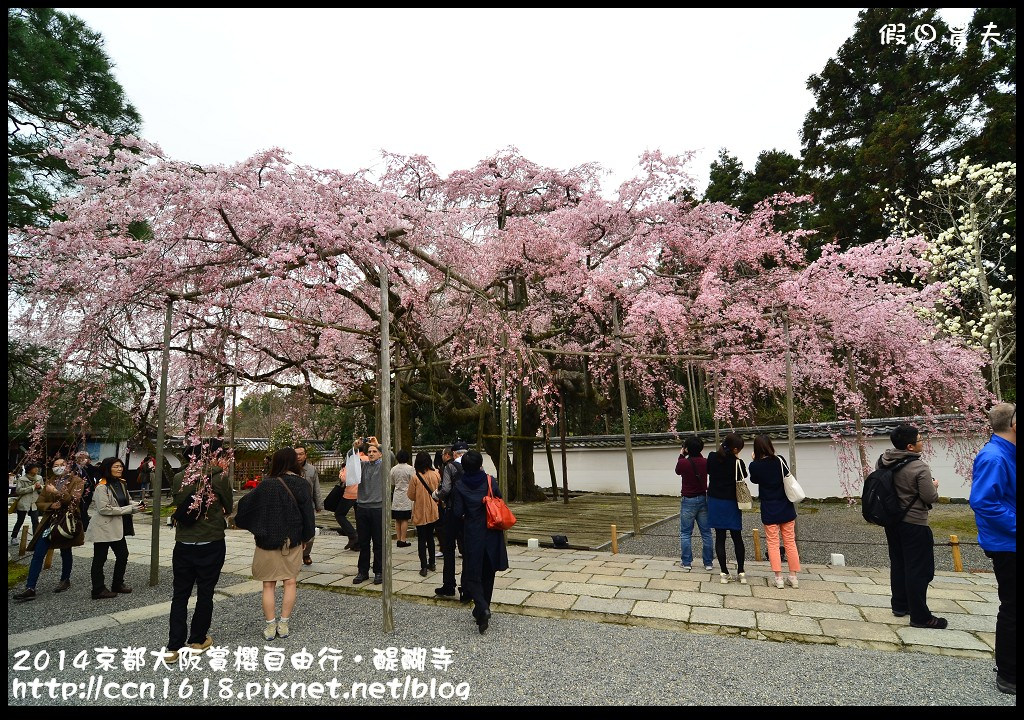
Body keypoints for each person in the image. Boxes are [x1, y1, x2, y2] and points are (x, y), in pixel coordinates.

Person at [234, 447, 315, 641]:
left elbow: (244, 509)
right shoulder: (302, 485)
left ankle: (270, 627)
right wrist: (305, 538)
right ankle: (284, 624)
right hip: (292, 541)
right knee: (290, 582)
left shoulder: (266, 485)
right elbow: (308, 517)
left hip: (266, 541)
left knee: (268, 585)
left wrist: (258, 527)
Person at [164, 447, 234, 661]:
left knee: (180, 594)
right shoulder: (219, 477)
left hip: (184, 542)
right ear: (211, 454)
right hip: (210, 541)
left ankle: (173, 647)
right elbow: (229, 506)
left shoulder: (178, 478)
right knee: (205, 592)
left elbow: (178, 505)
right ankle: (197, 639)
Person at [877, 423, 944, 629]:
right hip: (915, 522)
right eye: (919, 440)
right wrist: (934, 486)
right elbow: (929, 496)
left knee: (898, 563)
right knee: (919, 569)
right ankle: (920, 616)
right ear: (910, 447)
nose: (922, 442)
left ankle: (900, 605)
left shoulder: (883, 461)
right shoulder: (919, 467)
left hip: (893, 522)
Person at [969, 403, 1016, 695]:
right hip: (1007, 544)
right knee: (1013, 608)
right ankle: (1009, 673)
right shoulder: (994, 457)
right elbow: (984, 502)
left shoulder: (1006, 453)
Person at [452, 450, 509, 634]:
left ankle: (482, 607)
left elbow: (457, 512)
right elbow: (499, 497)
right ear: (480, 464)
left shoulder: (460, 485)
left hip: (473, 533)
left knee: (472, 573)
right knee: (488, 572)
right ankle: (483, 608)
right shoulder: (490, 480)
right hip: (492, 532)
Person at [12, 458, 85, 600]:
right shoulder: (50, 481)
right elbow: (40, 502)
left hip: (66, 521)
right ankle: (30, 587)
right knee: (39, 552)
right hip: (49, 521)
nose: (59, 467)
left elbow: (73, 500)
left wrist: (57, 492)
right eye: (55, 465)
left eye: (62, 465)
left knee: (66, 550)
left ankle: (65, 579)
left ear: (68, 466)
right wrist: (50, 505)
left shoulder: (77, 481)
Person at [85, 457, 143, 599]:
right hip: (104, 528)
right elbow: (104, 509)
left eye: (121, 466)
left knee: (123, 555)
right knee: (100, 558)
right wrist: (128, 509)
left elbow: (127, 501)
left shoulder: (121, 483)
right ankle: (98, 589)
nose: (120, 469)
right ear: (107, 468)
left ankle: (117, 583)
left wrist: (137, 505)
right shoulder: (101, 487)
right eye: (116, 466)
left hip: (117, 527)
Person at [749, 435, 801, 589]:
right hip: (785, 506)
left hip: (769, 508)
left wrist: (754, 461)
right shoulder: (780, 460)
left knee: (773, 543)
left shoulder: (755, 466)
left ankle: (778, 578)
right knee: (790, 542)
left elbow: (754, 480)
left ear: (756, 449)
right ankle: (793, 576)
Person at [706, 433, 748, 584]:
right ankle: (741, 572)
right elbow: (744, 476)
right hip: (732, 502)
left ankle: (724, 572)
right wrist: (736, 460)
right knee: (737, 537)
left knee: (720, 537)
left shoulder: (711, 457)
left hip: (715, 500)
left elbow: (709, 471)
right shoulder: (738, 462)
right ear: (735, 449)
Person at [349, 437, 385, 585]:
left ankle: (379, 571)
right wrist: (355, 447)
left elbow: (392, 457)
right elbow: (351, 460)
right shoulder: (362, 466)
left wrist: (379, 445)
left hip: (378, 508)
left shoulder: (383, 466)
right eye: (369, 451)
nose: (371, 453)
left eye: (374, 451)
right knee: (363, 542)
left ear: (380, 454)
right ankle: (362, 571)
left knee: (378, 542)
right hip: (362, 507)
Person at [434, 440, 468, 598]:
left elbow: (446, 488)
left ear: (454, 454)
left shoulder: (450, 467)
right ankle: (466, 587)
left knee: (449, 549)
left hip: (452, 511)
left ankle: (449, 585)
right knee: (467, 550)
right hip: (468, 513)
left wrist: (436, 494)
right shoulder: (475, 466)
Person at [675, 436, 713, 572]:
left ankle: (686, 562)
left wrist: (681, 455)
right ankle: (708, 563)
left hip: (688, 500)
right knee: (706, 533)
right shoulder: (705, 462)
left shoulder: (683, 463)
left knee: (685, 533)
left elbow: (677, 470)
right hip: (703, 498)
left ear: (687, 449)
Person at [408, 451, 440, 577]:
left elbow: (410, 495)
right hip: (433, 509)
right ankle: (432, 562)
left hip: (420, 510)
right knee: (431, 537)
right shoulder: (436, 475)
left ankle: (423, 566)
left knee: (421, 539)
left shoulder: (415, 477)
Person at [294, 444, 323, 566]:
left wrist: (318, 505)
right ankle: (294, 556)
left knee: (309, 532)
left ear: (305, 455)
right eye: (296, 454)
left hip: (308, 505)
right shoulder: (289, 468)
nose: (298, 456)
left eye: (301, 454)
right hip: (293, 505)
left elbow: (316, 488)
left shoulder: (312, 469)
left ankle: (306, 554)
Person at [11, 463, 42, 545]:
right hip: (24, 502)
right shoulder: (22, 479)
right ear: (29, 470)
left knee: (35, 521)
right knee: (20, 520)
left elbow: (41, 491)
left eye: (37, 468)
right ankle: (14, 537)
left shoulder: (39, 478)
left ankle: (35, 539)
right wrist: (32, 487)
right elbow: (18, 491)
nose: (36, 469)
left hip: (34, 502)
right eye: (34, 468)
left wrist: (40, 487)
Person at [390, 450, 415, 548]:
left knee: (397, 519)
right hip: (406, 494)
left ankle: (398, 538)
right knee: (405, 518)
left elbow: (392, 482)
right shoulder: (410, 469)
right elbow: (413, 481)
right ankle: (403, 539)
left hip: (397, 494)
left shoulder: (393, 469)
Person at [333, 461, 359, 550]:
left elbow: (344, 478)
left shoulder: (352, 460)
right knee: (359, 518)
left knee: (339, 514)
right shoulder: (367, 460)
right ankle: (358, 544)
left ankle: (352, 535)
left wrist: (342, 471)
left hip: (350, 493)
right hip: (363, 494)